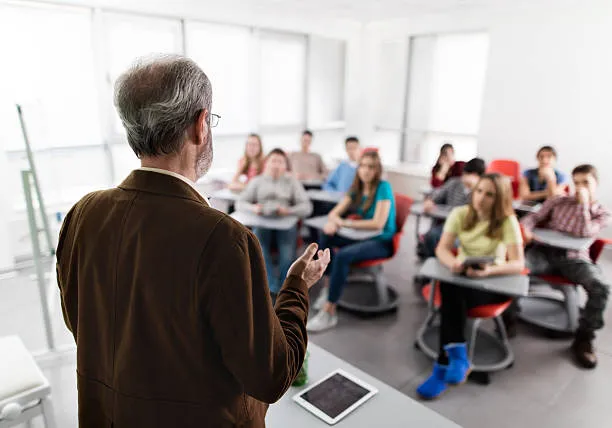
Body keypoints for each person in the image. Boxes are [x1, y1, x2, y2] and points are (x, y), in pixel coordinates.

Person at [55, 55, 331, 428]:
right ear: (201, 125)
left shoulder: (82, 215)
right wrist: (297, 286)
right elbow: (270, 376)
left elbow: (84, 326)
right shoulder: (224, 239)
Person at [417, 173, 524, 400]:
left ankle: (443, 366)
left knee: (450, 296)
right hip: (463, 277)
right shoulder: (460, 213)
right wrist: (453, 263)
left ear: (499, 199)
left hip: (493, 284)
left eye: (489, 194)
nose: (481, 198)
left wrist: (490, 270)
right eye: (479, 191)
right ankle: (456, 358)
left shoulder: (507, 221)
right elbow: (442, 249)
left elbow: (518, 263)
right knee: (451, 288)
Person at [521, 164, 610, 369]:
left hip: (574, 258)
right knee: (517, 268)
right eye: (576, 182)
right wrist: (526, 229)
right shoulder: (558, 201)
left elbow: (584, 232)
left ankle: (584, 338)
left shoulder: (601, 213)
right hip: (544, 253)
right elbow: (533, 216)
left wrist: (583, 204)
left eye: (585, 183)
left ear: (595, 184)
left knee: (601, 287)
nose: (579, 187)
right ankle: (509, 319)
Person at [307, 150, 397, 332]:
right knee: (326, 235)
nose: (366, 171)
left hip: (381, 242)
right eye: (362, 166)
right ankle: (327, 287)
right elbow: (334, 213)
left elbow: (378, 223)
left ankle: (329, 311)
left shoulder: (383, 187)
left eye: (371, 167)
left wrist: (345, 222)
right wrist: (333, 222)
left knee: (342, 257)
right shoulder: (356, 188)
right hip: (359, 236)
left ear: (377, 169)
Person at [237, 148, 313, 299]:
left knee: (287, 254)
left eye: (280, 162)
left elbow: (307, 207)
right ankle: (272, 287)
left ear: (285, 165)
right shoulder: (257, 181)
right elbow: (240, 202)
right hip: (262, 220)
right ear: (266, 163)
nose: (276, 165)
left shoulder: (292, 182)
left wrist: (288, 210)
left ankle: (285, 286)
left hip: (284, 221)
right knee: (259, 248)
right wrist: (254, 208)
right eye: (273, 161)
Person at [418, 157, 487, 260]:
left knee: (452, 243)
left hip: (467, 229)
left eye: (472, 175)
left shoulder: (482, 190)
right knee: (431, 236)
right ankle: (433, 262)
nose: (466, 178)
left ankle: (443, 263)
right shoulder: (454, 183)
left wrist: (474, 189)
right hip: (447, 224)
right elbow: (437, 195)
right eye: (466, 174)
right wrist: (430, 201)